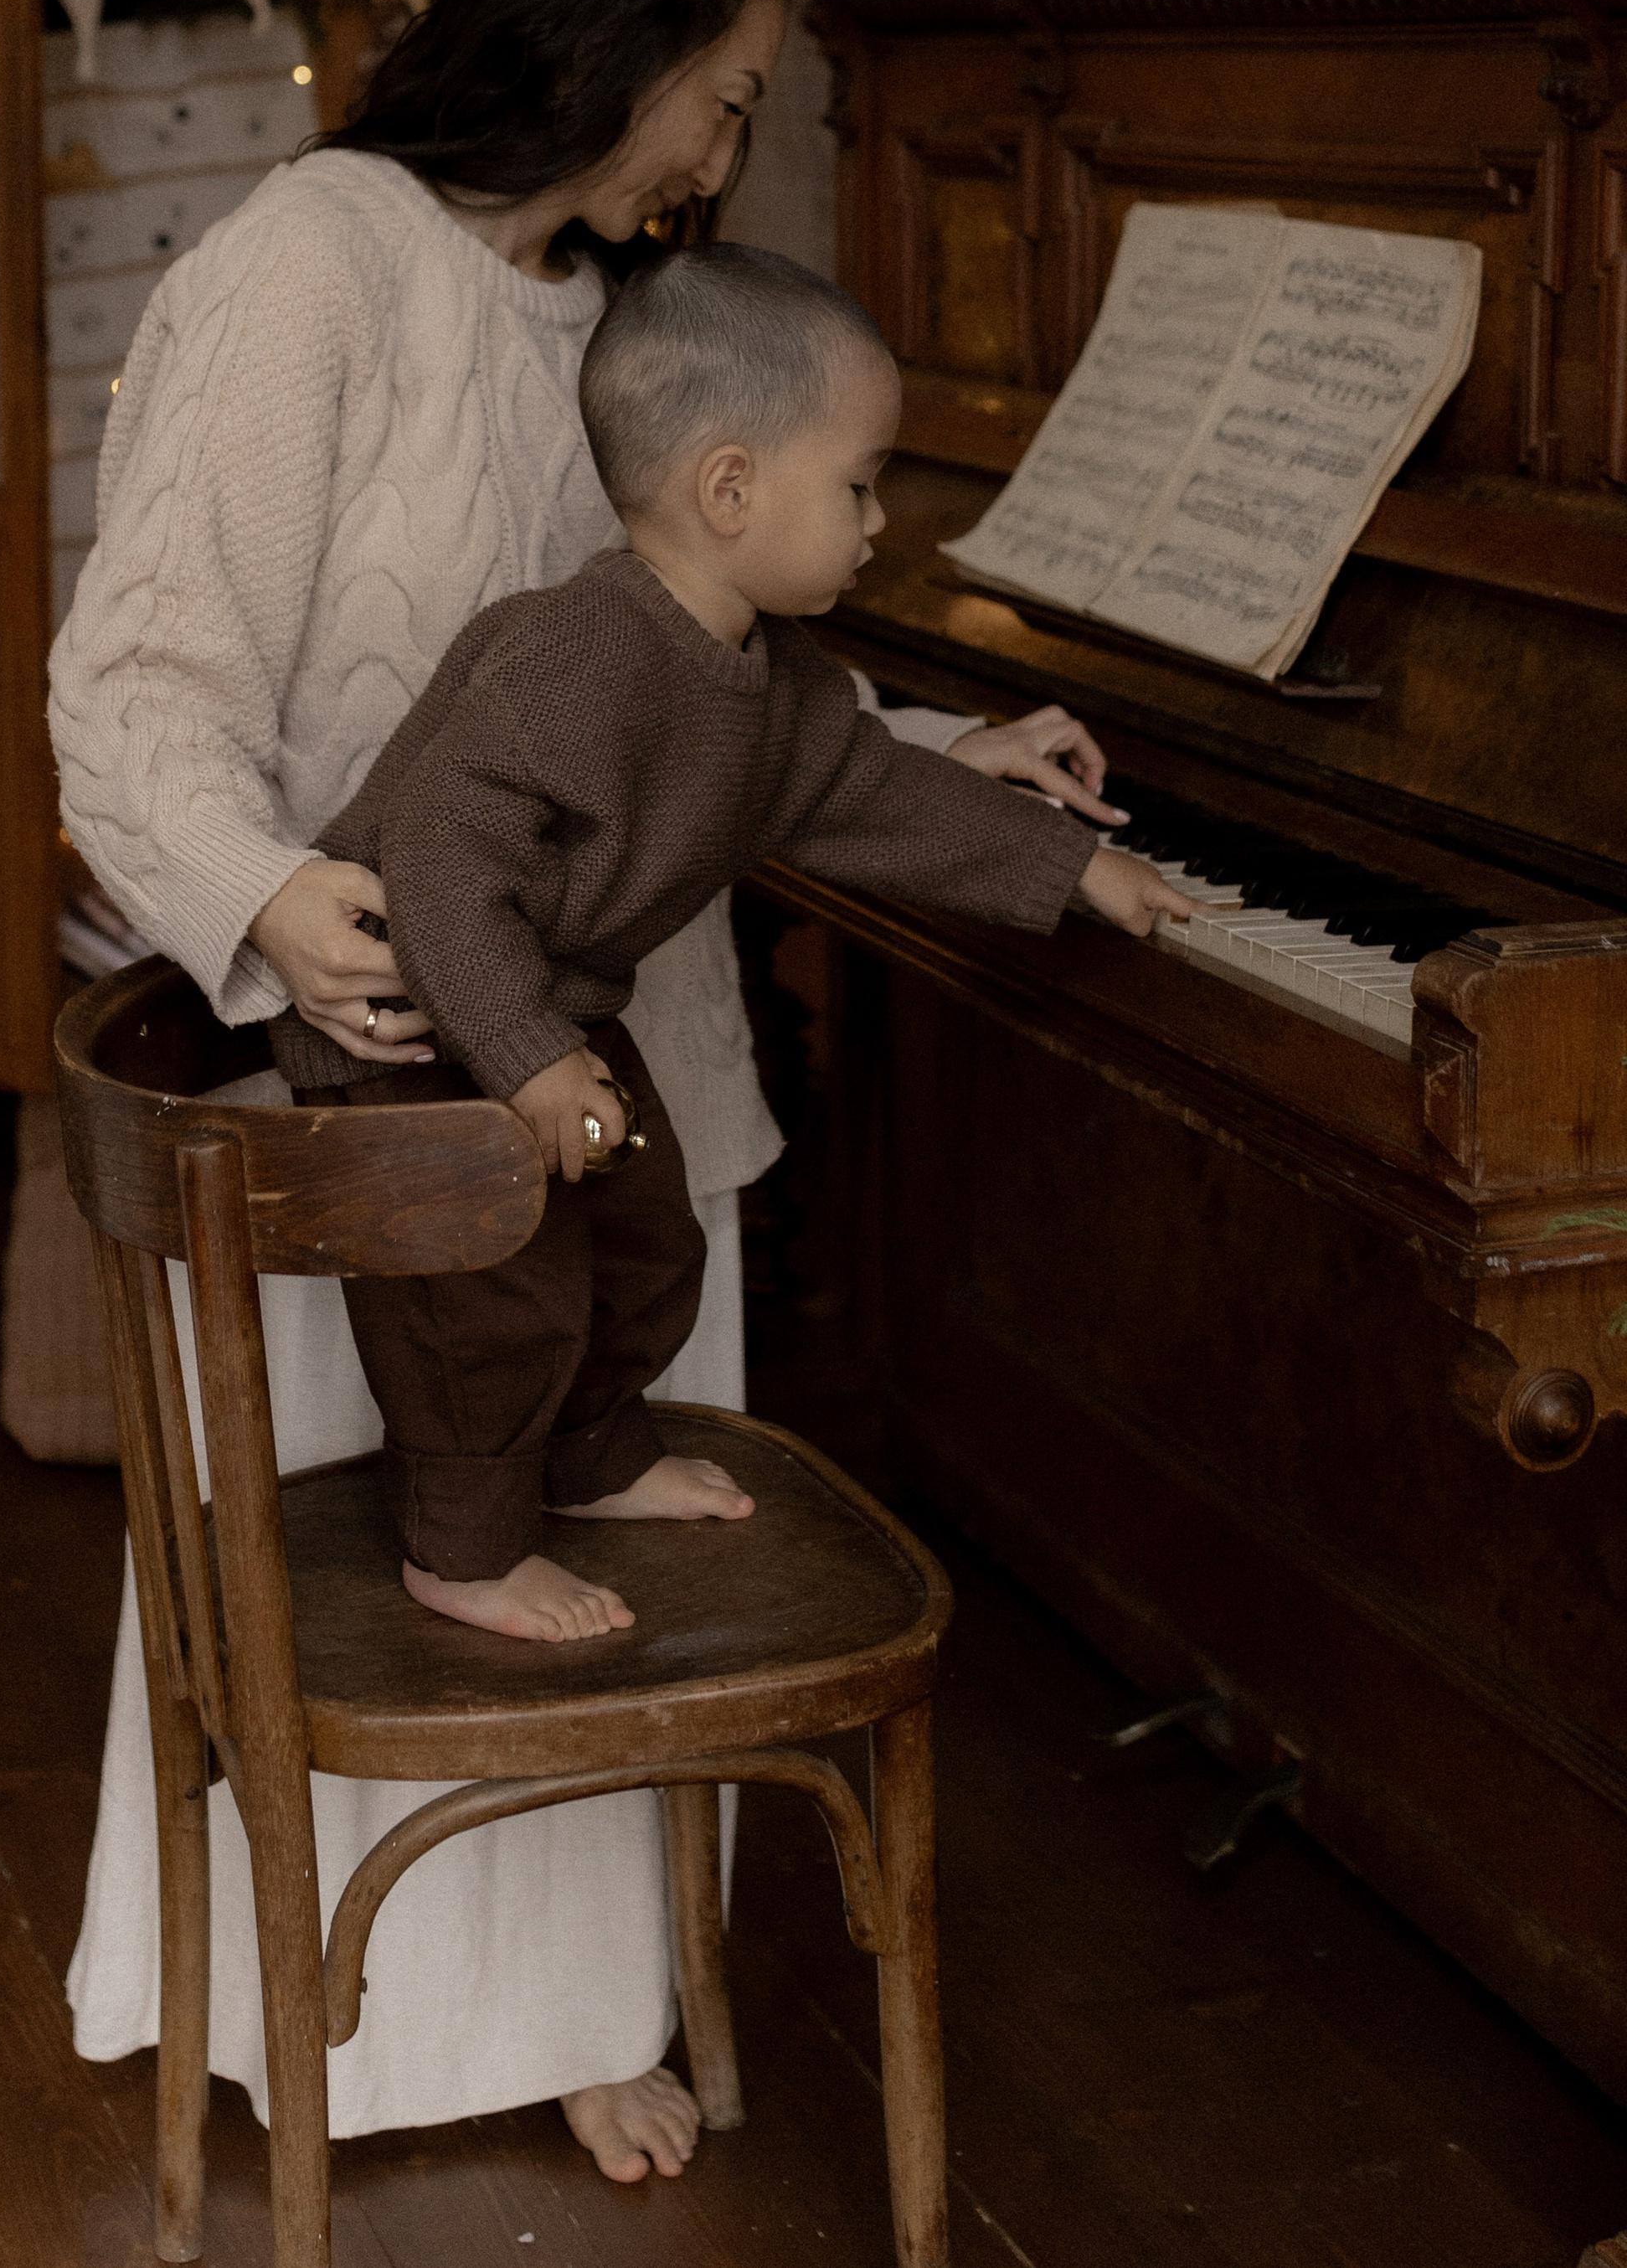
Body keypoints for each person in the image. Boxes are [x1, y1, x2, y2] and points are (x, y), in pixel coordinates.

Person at [48, 0, 1122, 2183]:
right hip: (376, 1077)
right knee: (435, 1499)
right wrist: (271, 896)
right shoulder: (312, 268)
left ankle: (571, 2003)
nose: (730, 148)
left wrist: (956, 765)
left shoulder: (620, 318)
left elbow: (706, 674)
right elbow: (132, 688)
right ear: (610, 44)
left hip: (614, 1074)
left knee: (605, 1513)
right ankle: (374, 2027)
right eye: (723, 92)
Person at [272, 245, 1195, 1642]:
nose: (880, 521)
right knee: (486, 1289)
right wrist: (526, 1063)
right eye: (861, 483)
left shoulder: (765, 679)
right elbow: (443, 876)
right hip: (411, 1021)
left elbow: (875, 787)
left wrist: (1077, 870)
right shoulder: (574, 655)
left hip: (542, 1016)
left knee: (643, 1240)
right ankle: (461, 1545)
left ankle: (589, 1457)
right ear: (728, 488)